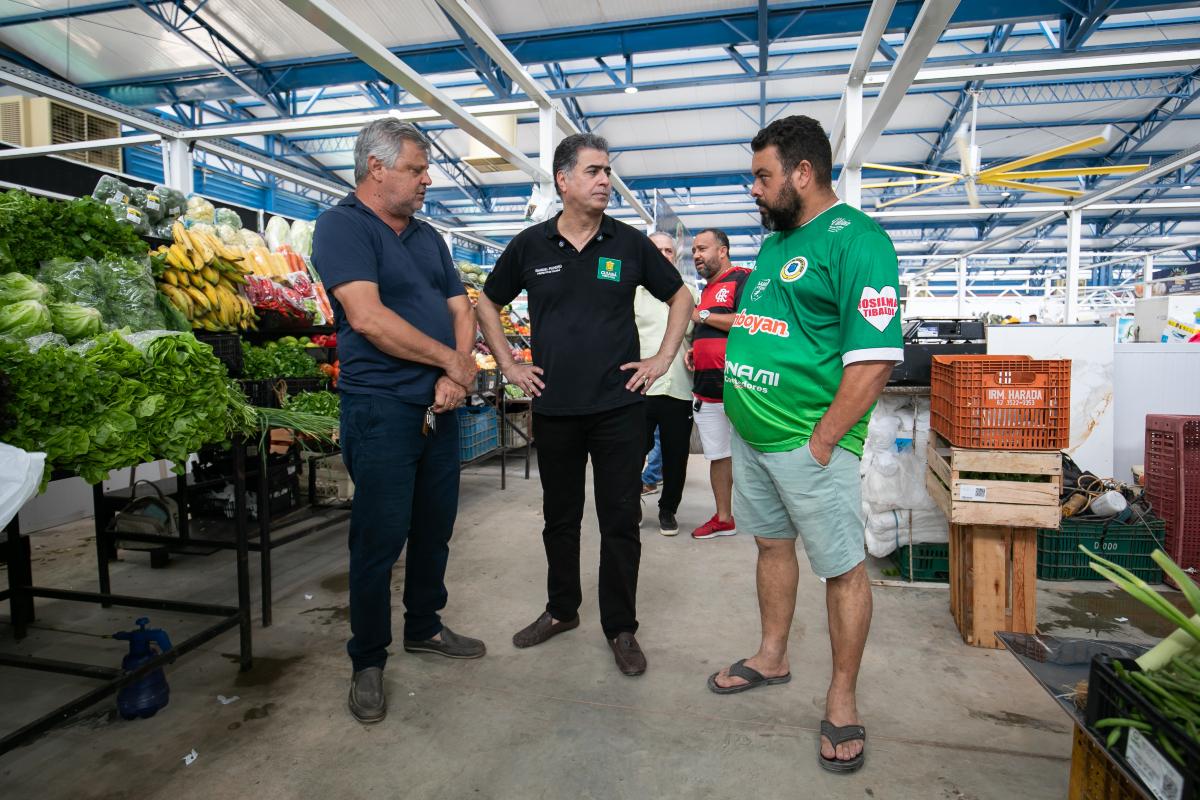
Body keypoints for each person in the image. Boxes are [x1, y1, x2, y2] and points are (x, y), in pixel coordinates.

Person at [707, 115, 902, 775]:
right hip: (756, 438)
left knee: (842, 569)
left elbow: (874, 361)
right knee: (770, 545)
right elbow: (778, 323)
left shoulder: (858, 241)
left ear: (802, 172)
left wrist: (823, 442)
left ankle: (842, 697)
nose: (754, 189)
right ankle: (772, 655)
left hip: (807, 443)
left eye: (763, 176)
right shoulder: (774, 245)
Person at [477, 133, 693, 677]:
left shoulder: (627, 243)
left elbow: (681, 296)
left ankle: (621, 627)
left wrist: (662, 358)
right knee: (560, 516)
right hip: (554, 408)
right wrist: (509, 365)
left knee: (620, 518)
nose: (605, 182)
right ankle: (561, 610)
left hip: (619, 408)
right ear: (563, 180)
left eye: (607, 172)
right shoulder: (530, 246)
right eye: (594, 172)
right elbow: (486, 300)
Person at [312, 119, 486, 725]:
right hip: (382, 409)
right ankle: (368, 658)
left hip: (439, 406)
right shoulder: (342, 227)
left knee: (435, 526)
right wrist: (452, 363)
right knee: (379, 539)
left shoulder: (429, 236)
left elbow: (459, 307)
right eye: (416, 168)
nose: (426, 179)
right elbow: (368, 319)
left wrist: (454, 376)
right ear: (376, 168)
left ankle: (424, 627)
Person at [686, 228, 751, 540]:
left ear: (723, 251)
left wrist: (704, 315)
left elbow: (749, 321)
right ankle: (724, 518)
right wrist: (695, 350)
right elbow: (710, 327)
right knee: (717, 456)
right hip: (706, 389)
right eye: (694, 250)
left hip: (740, 388)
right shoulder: (707, 289)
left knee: (759, 454)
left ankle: (777, 522)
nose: (696, 255)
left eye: (703, 249)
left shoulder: (741, 279)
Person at [635, 231, 700, 535]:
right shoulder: (633, 293)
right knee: (632, 451)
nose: (663, 256)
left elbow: (700, 333)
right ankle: (631, 503)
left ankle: (667, 510)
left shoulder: (689, 293)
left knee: (676, 456)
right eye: (656, 250)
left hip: (679, 388)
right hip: (640, 387)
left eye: (668, 251)